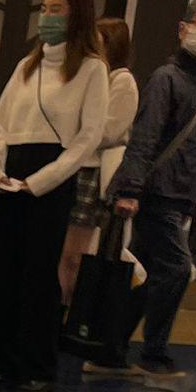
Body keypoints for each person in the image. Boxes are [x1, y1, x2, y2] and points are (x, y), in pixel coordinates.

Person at [0, 0, 109, 392]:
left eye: (57, 11)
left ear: (76, 17)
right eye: (46, 10)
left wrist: (39, 182)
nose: (48, 18)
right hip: (8, 176)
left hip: (49, 180)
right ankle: (4, 365)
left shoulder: (91, 69)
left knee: (37, 276)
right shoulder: (27, 65)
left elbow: (87, 138)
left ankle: (36, 368)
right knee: (2, 273)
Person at [111, 0, 196, 385]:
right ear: (183, 28)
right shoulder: (166, 78)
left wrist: (191, 200)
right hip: (156, 191)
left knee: (149, 272)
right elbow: (145, 136)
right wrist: (130, 188)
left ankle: (111, 349)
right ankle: (153, 354)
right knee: (175, 270)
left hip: (176, 193)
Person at [58, 15, 138, 303]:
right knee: (63, 248)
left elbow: (110, 130)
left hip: (92, 170)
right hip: (73, 165)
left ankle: (70, 305)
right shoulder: (90, 75)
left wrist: (77, 127)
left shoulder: (121, 80)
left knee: (75, 252)